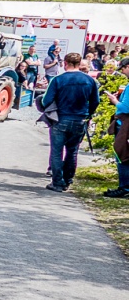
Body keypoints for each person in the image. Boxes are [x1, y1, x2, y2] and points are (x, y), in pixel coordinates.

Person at [38, 52, 99, 192]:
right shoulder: (90, 81)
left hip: (61, 118)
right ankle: (68, 180)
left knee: (56, 151)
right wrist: (87, 114)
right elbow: (96, 101)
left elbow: (46, 100)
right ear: (79, 64)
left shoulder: (58, 80)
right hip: (80, 119)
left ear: (65, 63)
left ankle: (57, 182)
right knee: (72, 151)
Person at [103, 58, 129, 198]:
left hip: (124, 125)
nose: (123, 72)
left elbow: (126, 107)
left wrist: (115, 101)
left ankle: (124, 187)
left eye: (123, 69)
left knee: (121, 155)